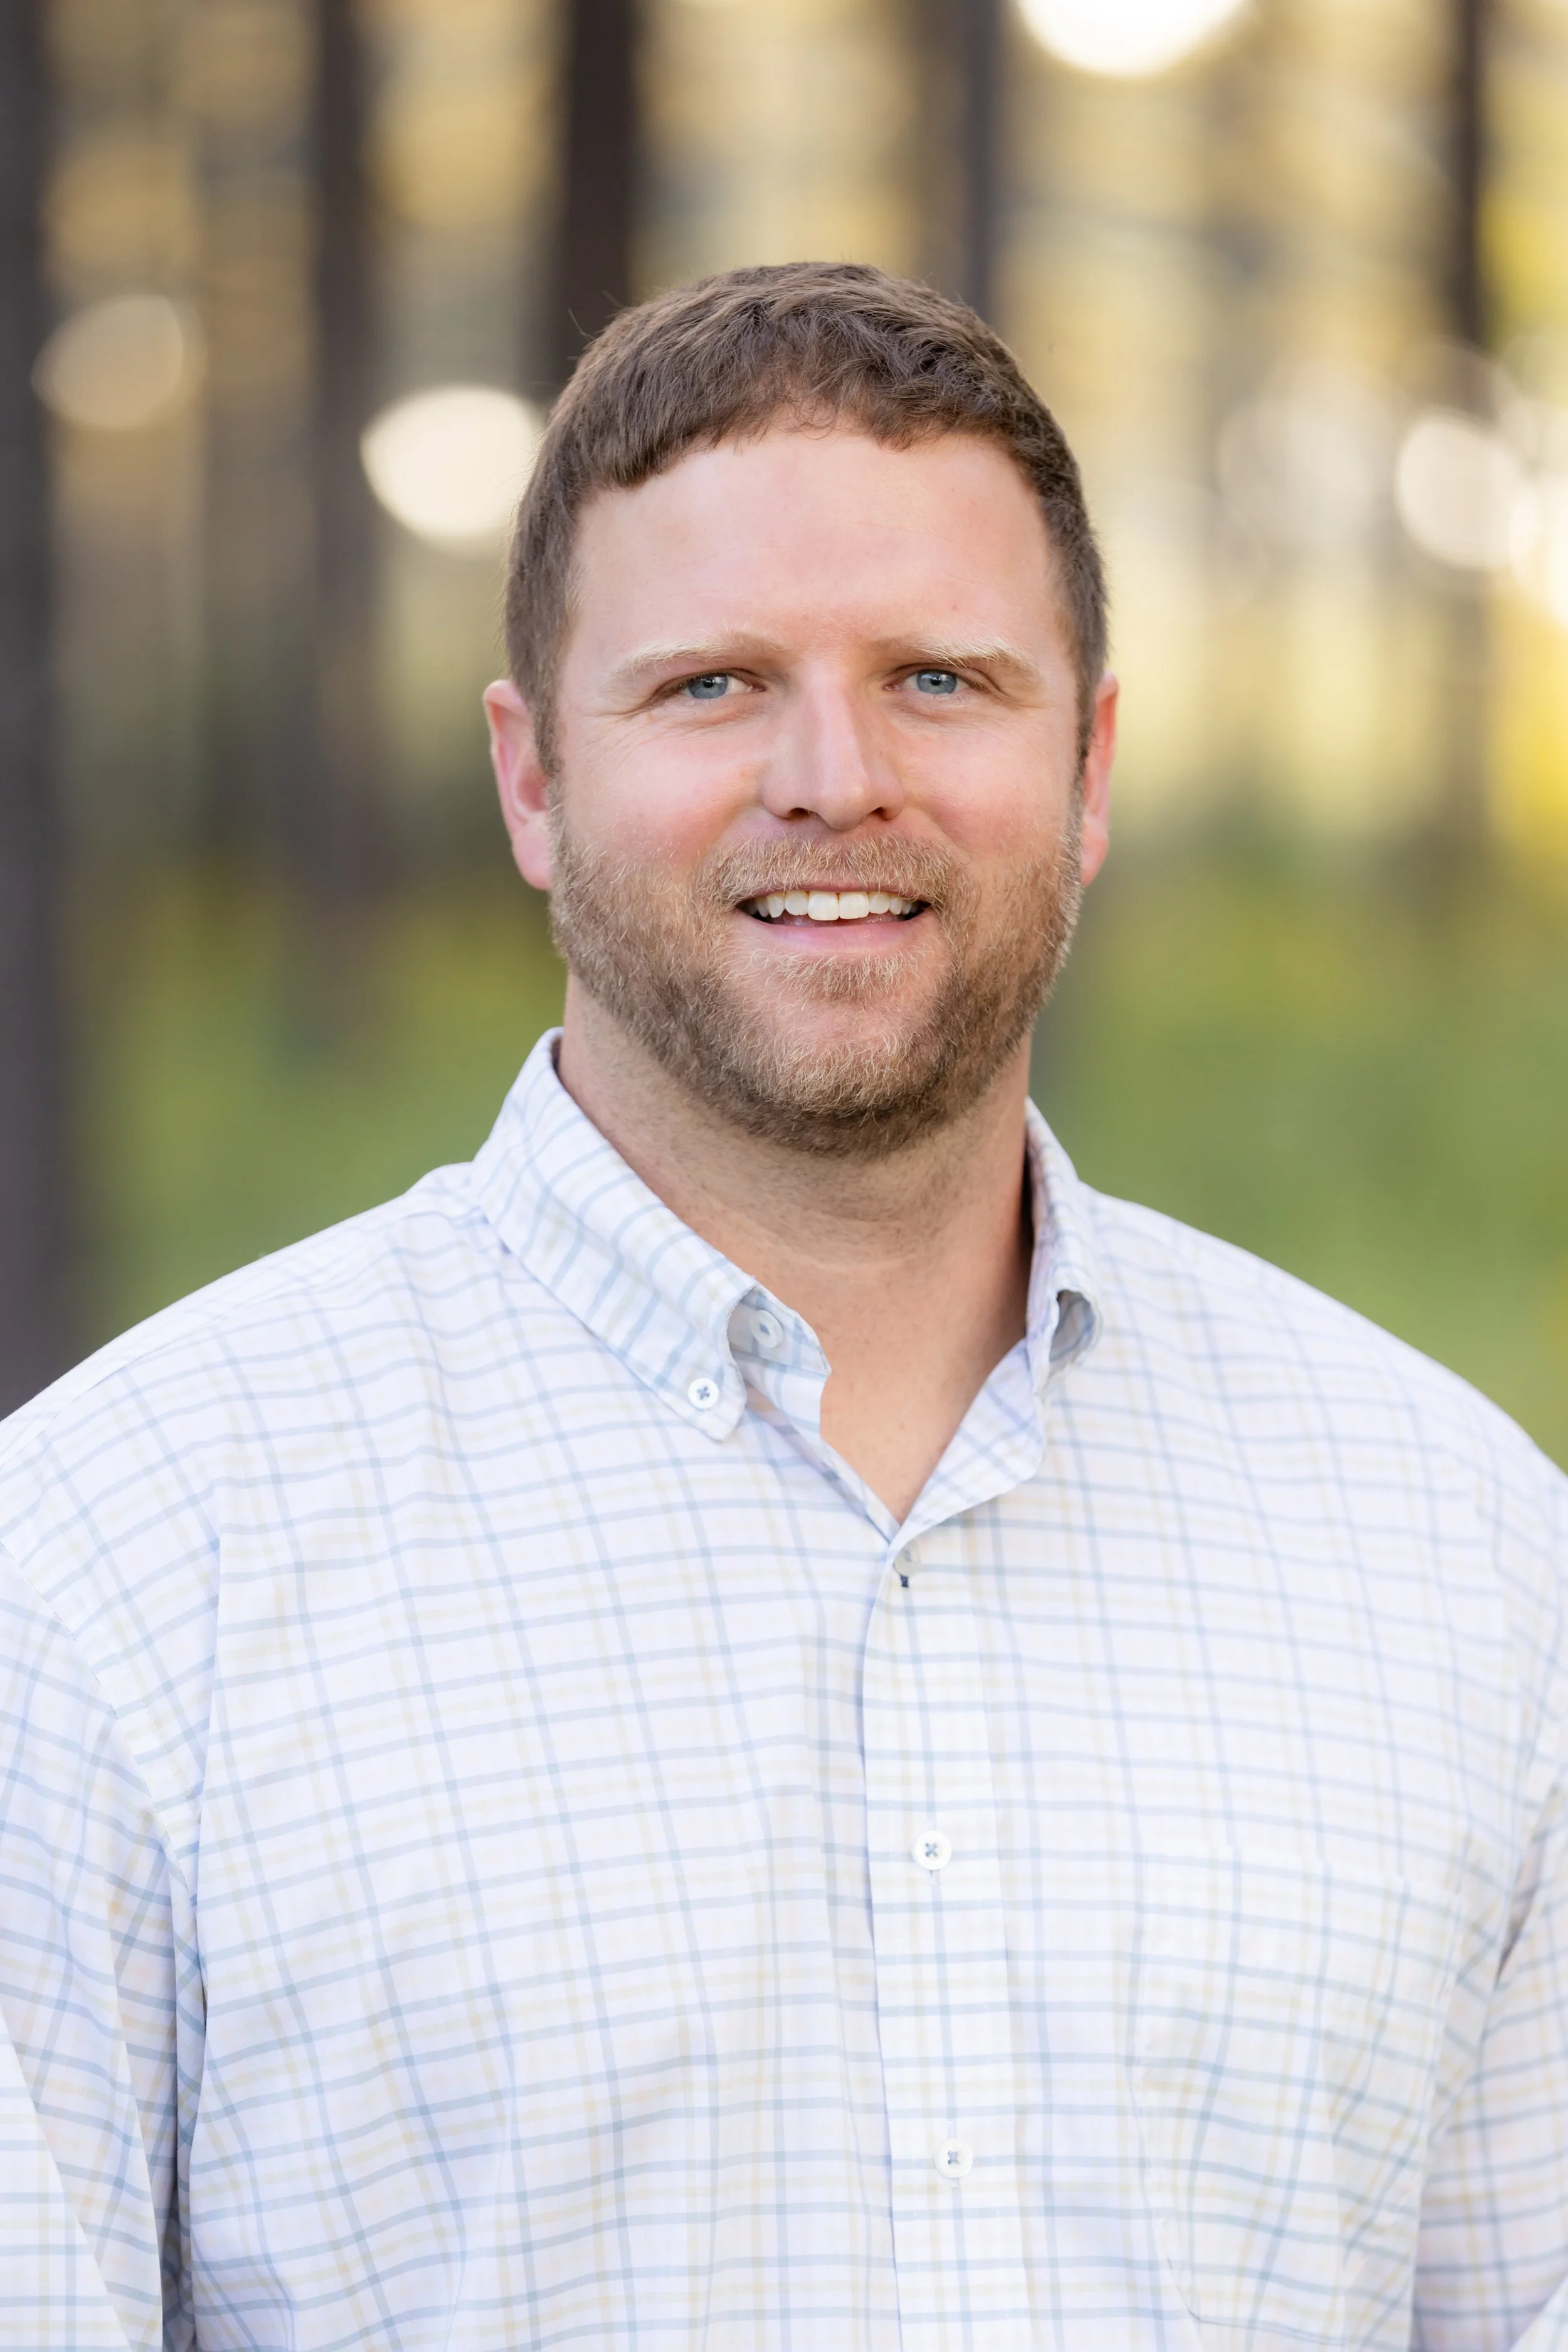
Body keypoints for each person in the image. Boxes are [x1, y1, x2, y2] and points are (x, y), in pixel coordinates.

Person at [1, 262, 1564, 2352]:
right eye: (713, 683)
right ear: (532, 779)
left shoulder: (1456, 1549)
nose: (835, 777)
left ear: (1087, 769)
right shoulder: (109, 1569)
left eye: (938, 678)